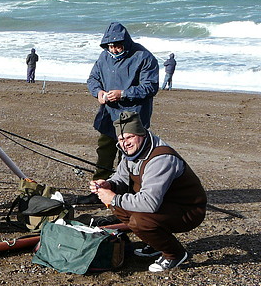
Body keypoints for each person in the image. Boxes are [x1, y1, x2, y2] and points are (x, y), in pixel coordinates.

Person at [90, 111, 207, 272]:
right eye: (121, 139)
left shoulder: (161, 159)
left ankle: (175, 254)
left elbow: (149, 204)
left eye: (130, 137)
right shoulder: (131, 152)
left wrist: (114, 198)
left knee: (139, 219)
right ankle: (156, 243)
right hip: (164, 204)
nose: (125, 143)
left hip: (188, 210)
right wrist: (109, 185)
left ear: (142, 134)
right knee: (117, 206)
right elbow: (121, 178)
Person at [86, 22, 159, 182]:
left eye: (117, 46)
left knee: (129, 154)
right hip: (109, 114)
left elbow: (151, 87)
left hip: (133, 115)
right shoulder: (104, 56)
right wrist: (98, 92)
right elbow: (92, 79)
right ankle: (100, 187)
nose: (113, 50)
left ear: (125, 42)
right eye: (110, 46)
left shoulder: (144, 56)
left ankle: (125, 188)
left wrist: (123, 94)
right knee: (104, 150)